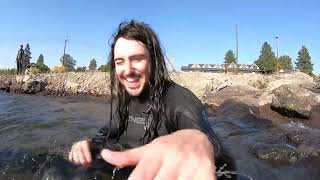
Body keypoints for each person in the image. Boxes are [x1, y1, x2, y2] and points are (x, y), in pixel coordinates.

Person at [69, 20, 235, 180]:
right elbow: (107, 133)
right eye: (120, 61)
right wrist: (88, 143)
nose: (127, 70)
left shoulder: (179, 101)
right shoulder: (128, 100)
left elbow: (223, 159)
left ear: (153, 60)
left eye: (137, 59)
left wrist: (201, 142)